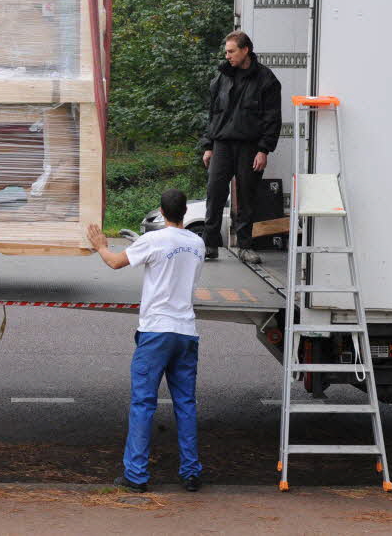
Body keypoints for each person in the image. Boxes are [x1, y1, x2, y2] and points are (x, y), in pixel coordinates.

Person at [87, 188, 205, 493]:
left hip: (156, 332)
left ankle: (136, 475)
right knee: (186, 404)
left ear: (162, 212)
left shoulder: (153, 240)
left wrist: (100, 246)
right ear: (184, 213)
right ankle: (191, 473)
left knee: (143, 404)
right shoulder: (197, 243)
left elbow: (114, 262)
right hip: (186, 332)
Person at [200, 30, 282, 263]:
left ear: (246, 50)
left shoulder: (266, 79)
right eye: (226, 52)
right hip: (222, 144)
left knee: (246, 197)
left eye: (231, 51)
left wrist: (263, 149)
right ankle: (210, 245)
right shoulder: (221, 78)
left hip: (250, 145)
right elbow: (213, 114)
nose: (227, 56)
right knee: (215, 193)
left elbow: (272, 118)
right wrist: (208, 146)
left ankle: (245, 247)